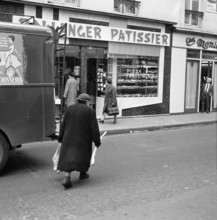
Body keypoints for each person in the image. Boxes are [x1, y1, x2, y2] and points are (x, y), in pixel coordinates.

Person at [57, 93, 101, 188]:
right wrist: (97, 141)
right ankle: (83, 173)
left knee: (69, 156)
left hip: (68, 138)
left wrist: (60, 138)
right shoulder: (90, 111)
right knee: (82, 156)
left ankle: (67, 176)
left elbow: (63, 125)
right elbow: (94, 129)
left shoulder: (69, 109)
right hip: (83, 139)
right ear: (86, 101)